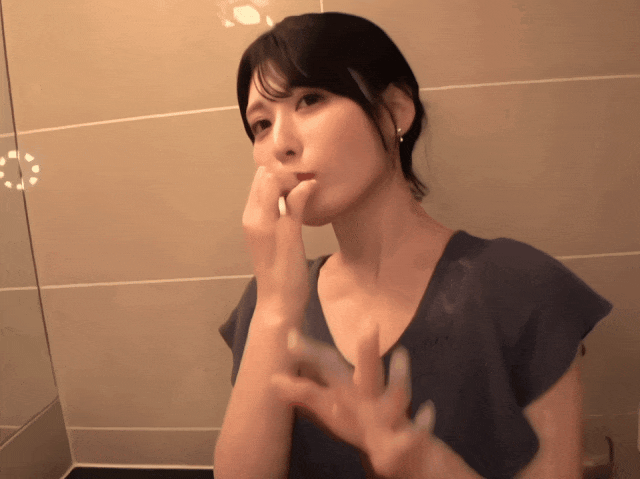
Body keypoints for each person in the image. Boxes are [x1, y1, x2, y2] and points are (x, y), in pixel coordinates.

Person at [214, 12, 613, 479]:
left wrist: (426, 465)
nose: (280, 143)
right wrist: (274, 308)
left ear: (395, 112)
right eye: (261, 124)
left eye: (310, 99)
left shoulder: (523, 287)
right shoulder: (266, 303)